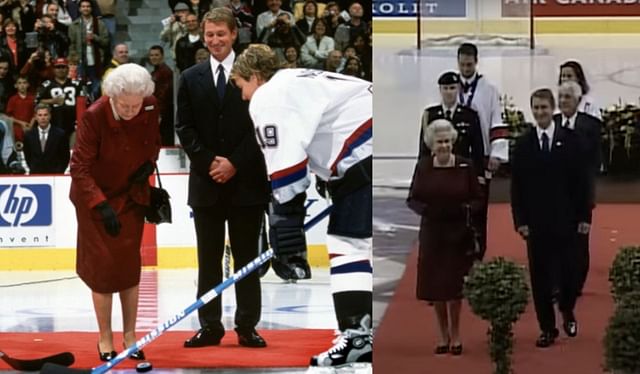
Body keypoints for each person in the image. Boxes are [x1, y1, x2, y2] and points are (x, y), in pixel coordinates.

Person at [231, 44, 372, 368]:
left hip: (364, 155)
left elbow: (286, 166)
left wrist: (285, 219)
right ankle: (360, 333)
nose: (243, 97)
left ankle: (357, 337)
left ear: (254, 77)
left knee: (348, 245)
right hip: (373, 146)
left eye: (241, 86)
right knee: (357, 246)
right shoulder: (296, 79)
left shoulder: (269, 95)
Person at [175, 8, 270, 349]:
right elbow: (183, 127)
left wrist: (234, 163)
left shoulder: (254, 75)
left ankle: (247, 325)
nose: (215, 40)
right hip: (206, 183)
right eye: (210, 34)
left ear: (234, 35)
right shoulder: (189, 77)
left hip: (246, 183)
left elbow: (261, 125)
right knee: (208, 259)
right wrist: (208, 162)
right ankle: (210, 325)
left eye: (221, 34)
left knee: (247, 259)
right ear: (204, 36)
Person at [69, 63, 161, 361]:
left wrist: (147, 165)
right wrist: (100, 204)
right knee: (104, 271)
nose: (133, 110)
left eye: (137, 104)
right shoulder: (95, 115)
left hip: (130, 194)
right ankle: (105, 338)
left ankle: (131, 335)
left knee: (128, 268)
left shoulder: (148, 106)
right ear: (112, 97)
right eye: (126, 105)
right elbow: (79, 168)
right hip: (96, 198)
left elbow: (153, 141)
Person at [510, 88, 591, 348]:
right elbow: (517, 187)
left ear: (553, 109)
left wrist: (584, 215)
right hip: (536, 224)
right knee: (540, 278)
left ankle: (567, 308)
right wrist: (520, 220)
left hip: (567, 221)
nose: (540, 112)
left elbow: (582, 182)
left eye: (544, 107)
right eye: (536, 107)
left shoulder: (571, 140)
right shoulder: (524, 144)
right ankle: (547, 328)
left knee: (570, 273)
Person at [407, 119, 482, 356]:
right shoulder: (423, 167)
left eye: (448, 141)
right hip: (433, 233)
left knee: (454, 288)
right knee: (436, 288)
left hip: (458, 233)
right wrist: (427, 211)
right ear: (431, 145)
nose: (444, 146)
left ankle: (457, 335)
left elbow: (478, 197)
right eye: (440, 142)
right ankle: (442, 335)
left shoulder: (465, 166)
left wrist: (467, 209)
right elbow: (413, 198)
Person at [456, 42, 509, 260]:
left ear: (476, 62)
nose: (466, 69)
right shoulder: (450, 86)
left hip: (480, 158)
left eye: (469, 64)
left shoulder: (489, 90)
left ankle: (479, 253)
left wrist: (497, 154)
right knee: (456, 207)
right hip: (455, 157)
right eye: (462, 65)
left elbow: (497, 121)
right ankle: (457, 253)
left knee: (479, 208)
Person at [554, 81, 602, 296]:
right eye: (561, 96)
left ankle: (576, 284)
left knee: (579, 241)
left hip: (580, 194)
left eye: (568, 97)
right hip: (555, 194)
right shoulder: (552, 122)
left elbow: (593, 163)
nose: (563, 101)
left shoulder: (590, 125)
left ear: (578, 100)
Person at [419, 71, 484, 179]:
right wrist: (422, 171)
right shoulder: (430, 114)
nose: (449, 92)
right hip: (436, 170)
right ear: (440, 90)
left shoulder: (470, 115)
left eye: (452, 88)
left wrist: (478, 173)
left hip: (461, 170)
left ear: (458, 89)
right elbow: (424, 149)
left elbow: (477, 148)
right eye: (445, 88)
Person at [23, 103, 69, 174]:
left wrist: (59, 171)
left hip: (55, 176)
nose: (43, 118)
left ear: (50, 116)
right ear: (35, 117)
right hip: (36, 175)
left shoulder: (60, 134)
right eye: (40, 115)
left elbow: (65, 157)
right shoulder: (29, 135)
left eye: (45, 115)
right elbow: (28, 156)